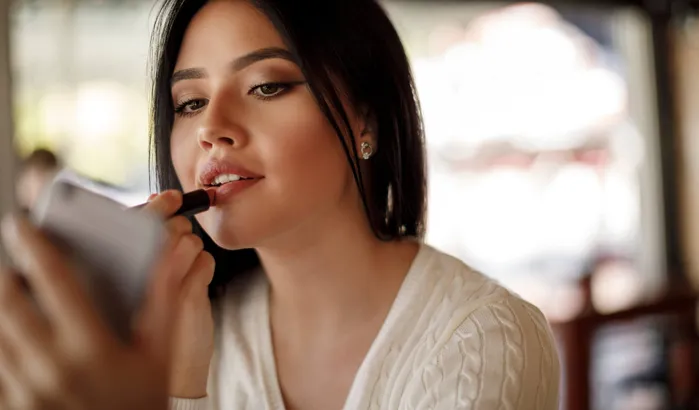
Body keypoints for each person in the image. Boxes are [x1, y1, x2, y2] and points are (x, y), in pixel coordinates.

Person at [0, 1, 561, 409]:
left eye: (266, 87)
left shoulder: (482, 338)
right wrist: (185, 380)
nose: (211, 129)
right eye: (190, 102)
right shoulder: (188, 338)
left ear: (364, 118)